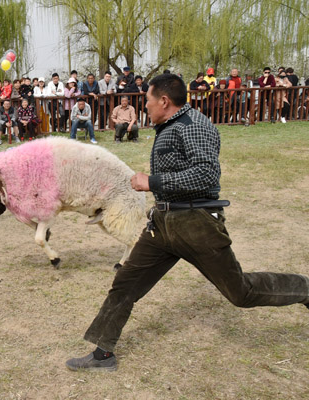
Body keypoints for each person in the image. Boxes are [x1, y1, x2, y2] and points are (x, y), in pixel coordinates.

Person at [65, 73, 309, 372]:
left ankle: (304, 289)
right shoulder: (169, 126)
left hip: (196, 224)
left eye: (148, 101)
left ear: (164, 101)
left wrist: (151, 181)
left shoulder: (194, 125)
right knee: (125, 284)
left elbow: (206, 174)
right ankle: (103, 353)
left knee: (240, 293)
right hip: (164, 225)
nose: (146, 107)